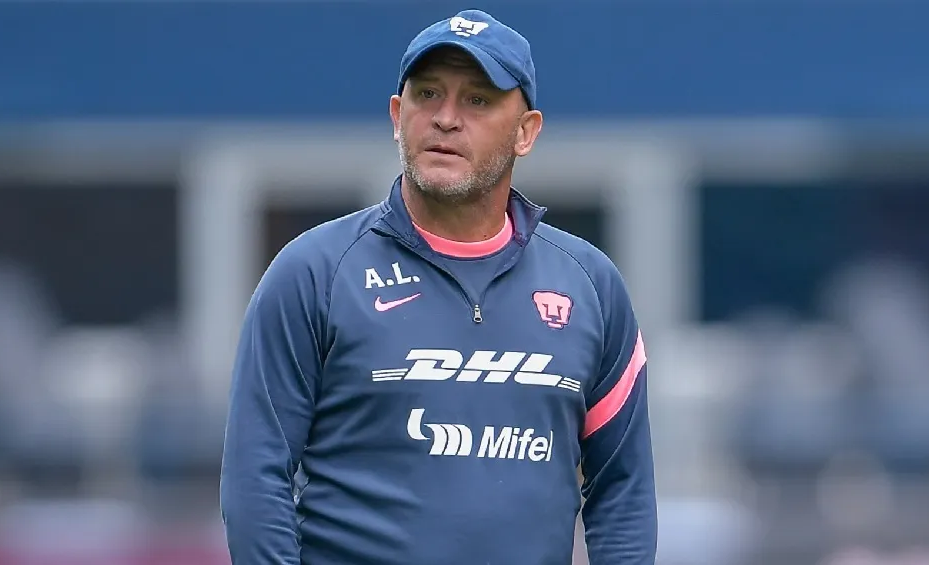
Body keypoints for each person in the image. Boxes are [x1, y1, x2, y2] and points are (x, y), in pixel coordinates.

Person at [219, 9, 657, 565]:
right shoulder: (314, 272)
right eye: (428, 94)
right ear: (397, 115)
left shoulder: (590, 284)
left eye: (477, 99)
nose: (446, 119)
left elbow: (623, 492)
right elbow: (255, 482)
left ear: (526, 132)